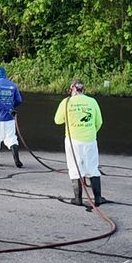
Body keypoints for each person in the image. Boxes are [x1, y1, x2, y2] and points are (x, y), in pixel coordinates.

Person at [53, 80, 105, 209]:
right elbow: (99, 122)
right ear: (83, 89)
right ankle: (98, 198)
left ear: (71, 89)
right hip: (90, 140)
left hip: (73, 141)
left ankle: (78, 199)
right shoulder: (92, 101)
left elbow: (58, 120)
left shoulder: (66, 102)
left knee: (74, 168)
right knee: (92, 167)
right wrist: (90, 132)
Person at [0, 66, 24, 168]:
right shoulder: (13, 85)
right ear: (5, 74)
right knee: (11, 138)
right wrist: (10, 107)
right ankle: (17, 161)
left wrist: (6, 108)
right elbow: (19, 100)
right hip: (9, 118)